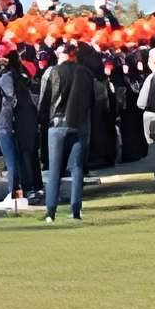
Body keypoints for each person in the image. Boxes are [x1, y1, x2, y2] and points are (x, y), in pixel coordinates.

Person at [38, 46, 101, 222]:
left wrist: (42, 121)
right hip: (79, 124)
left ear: (63, 56)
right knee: (77, 168)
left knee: (55, 170)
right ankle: (76, 210)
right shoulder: (86, 74)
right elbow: (92, 100)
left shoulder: (53, 72)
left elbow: (45, 100)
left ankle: (51, 211)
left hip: (56, 124)